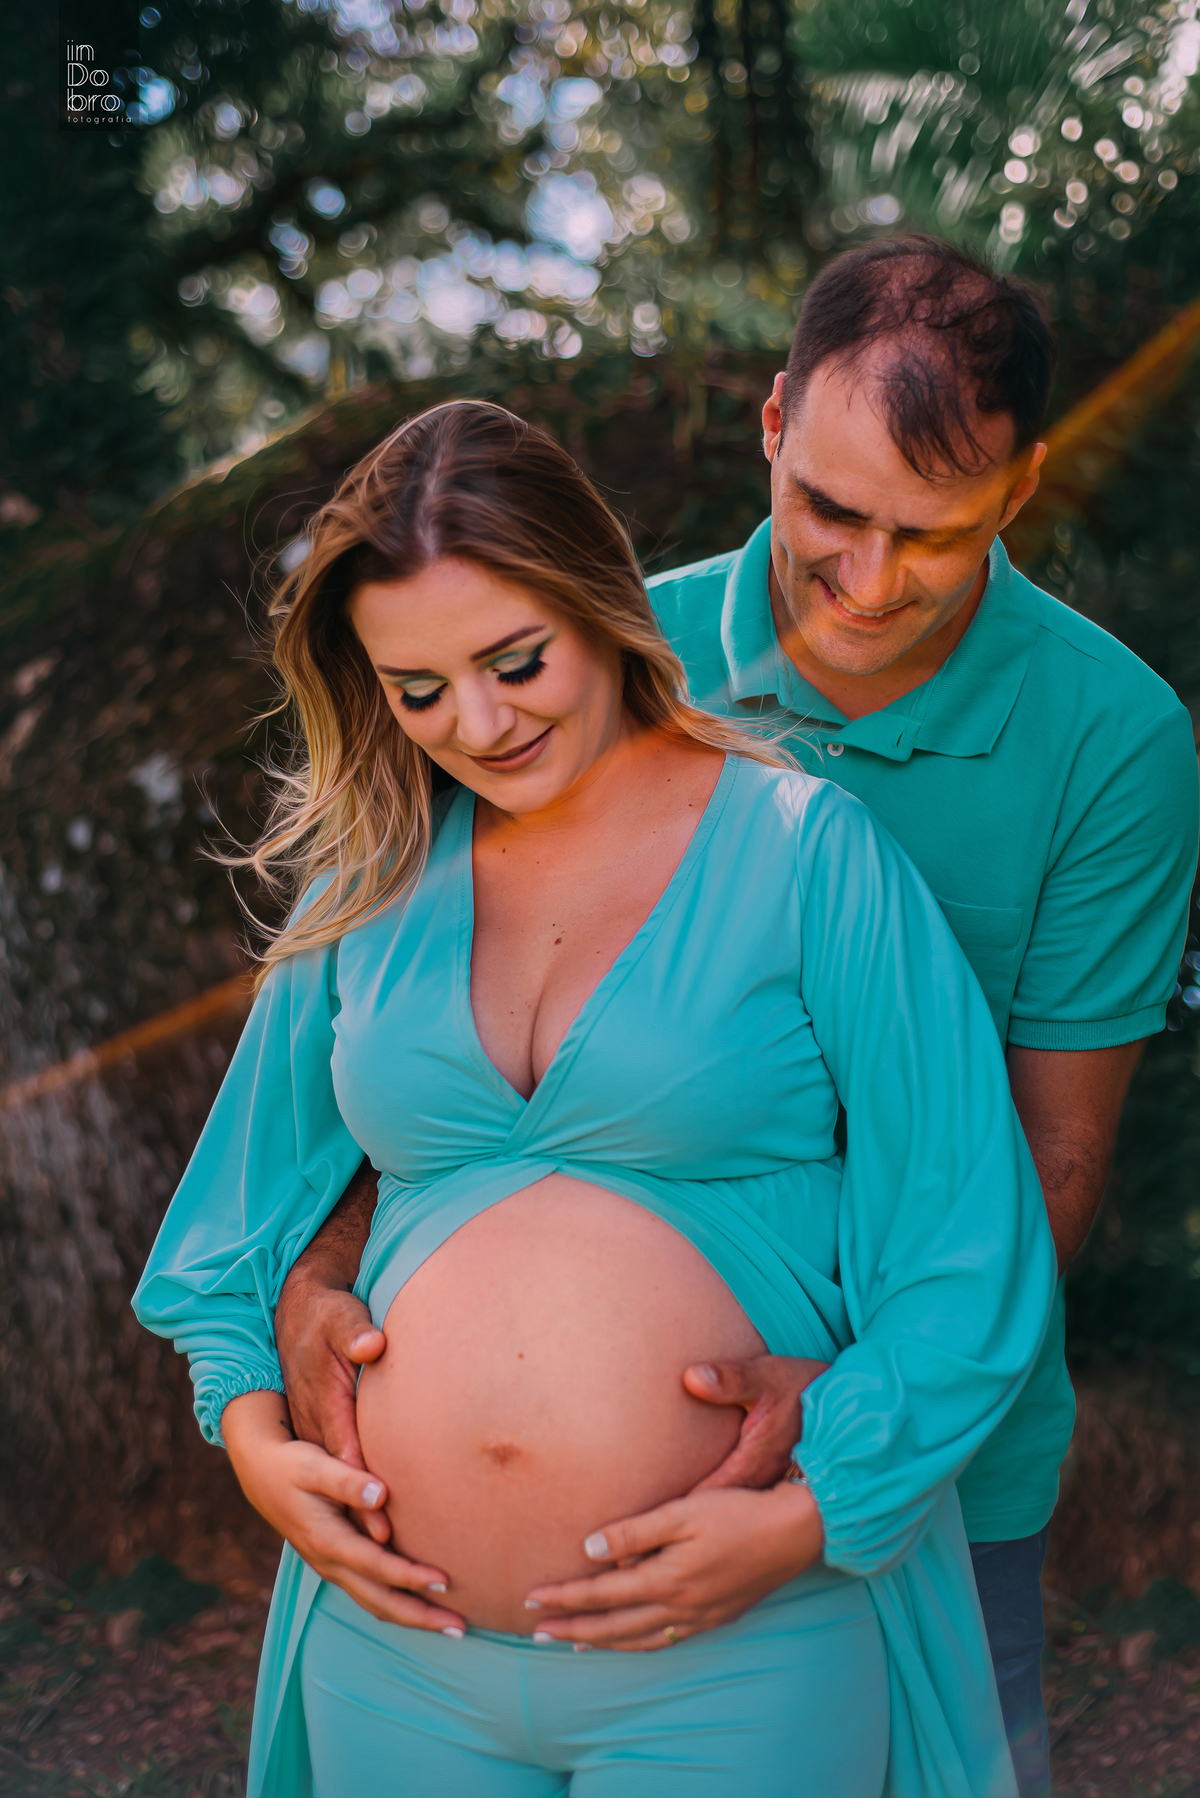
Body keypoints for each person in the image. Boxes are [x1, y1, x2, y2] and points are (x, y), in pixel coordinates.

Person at [277, 238, 1200, 1798]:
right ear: (773, 423)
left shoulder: (1115, 738)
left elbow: (1051, 1155)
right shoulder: (583, 657)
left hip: (922, 1470)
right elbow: (449, 1032)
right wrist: (323, 1261)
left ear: (1022, 487)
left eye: (934, 534)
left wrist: (839, 1427)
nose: (865, 578)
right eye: (830, 509)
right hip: (448, 1628)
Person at [134, 399, 1058, 1797]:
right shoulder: (366, 892)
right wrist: (261, 1447)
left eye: (516, 660)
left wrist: (808, 1520)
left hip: (738, 1640)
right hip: (395, 1644)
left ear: (602, 604)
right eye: (419, 687)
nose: (481, 723)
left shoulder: (812, 856)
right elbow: (233, 1230)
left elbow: (968, 1256)